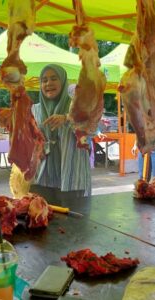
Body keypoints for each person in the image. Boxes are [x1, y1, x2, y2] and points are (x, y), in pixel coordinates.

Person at [30, 64, 91, 203]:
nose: (48, 83)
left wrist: (67, 118)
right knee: (42, 219)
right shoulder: (35, 110)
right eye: (44, 80)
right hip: (42, 177)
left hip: (71, 177)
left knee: (73, 222)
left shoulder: (77, 105)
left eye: (53, 78)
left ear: (63, 81)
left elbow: (92, 131)